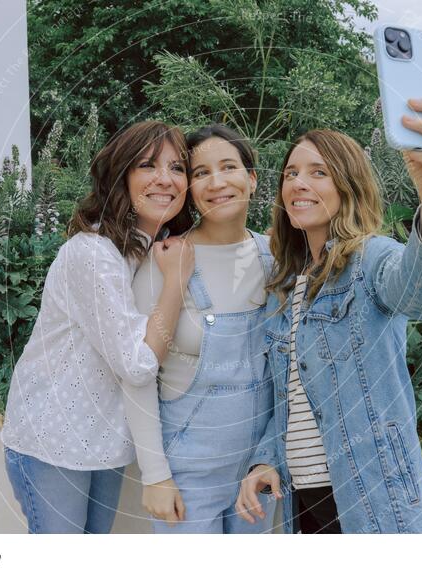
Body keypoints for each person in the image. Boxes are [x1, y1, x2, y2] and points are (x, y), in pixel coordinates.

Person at [236, 89, 422, 533]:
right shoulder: (283, 287)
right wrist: (265, 461)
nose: (298, 183)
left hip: (373, 500)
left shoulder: (369, 259)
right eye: (290, 173)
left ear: (347, 186)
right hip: (300, 504)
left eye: (318, 172)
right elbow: (288, 400)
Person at [0, 121, 195, 533]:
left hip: (107, 443)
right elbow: (138, 364)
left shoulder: (151, 252)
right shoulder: (92, 254)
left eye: (178, 168)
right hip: (53, 441)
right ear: (121, 176)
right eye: (148, 165)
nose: (166, 179)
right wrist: (176, 283)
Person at [122, 124, 276, 533]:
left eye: (229, 166)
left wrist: (271, 458)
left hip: (257, 474)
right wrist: (155, 475)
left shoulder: (276, 259)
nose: (217, 181)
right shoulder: (164, 261)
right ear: (189, 188)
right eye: (201, 172)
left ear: (252, 179)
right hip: (186, 477)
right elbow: (138, 378)